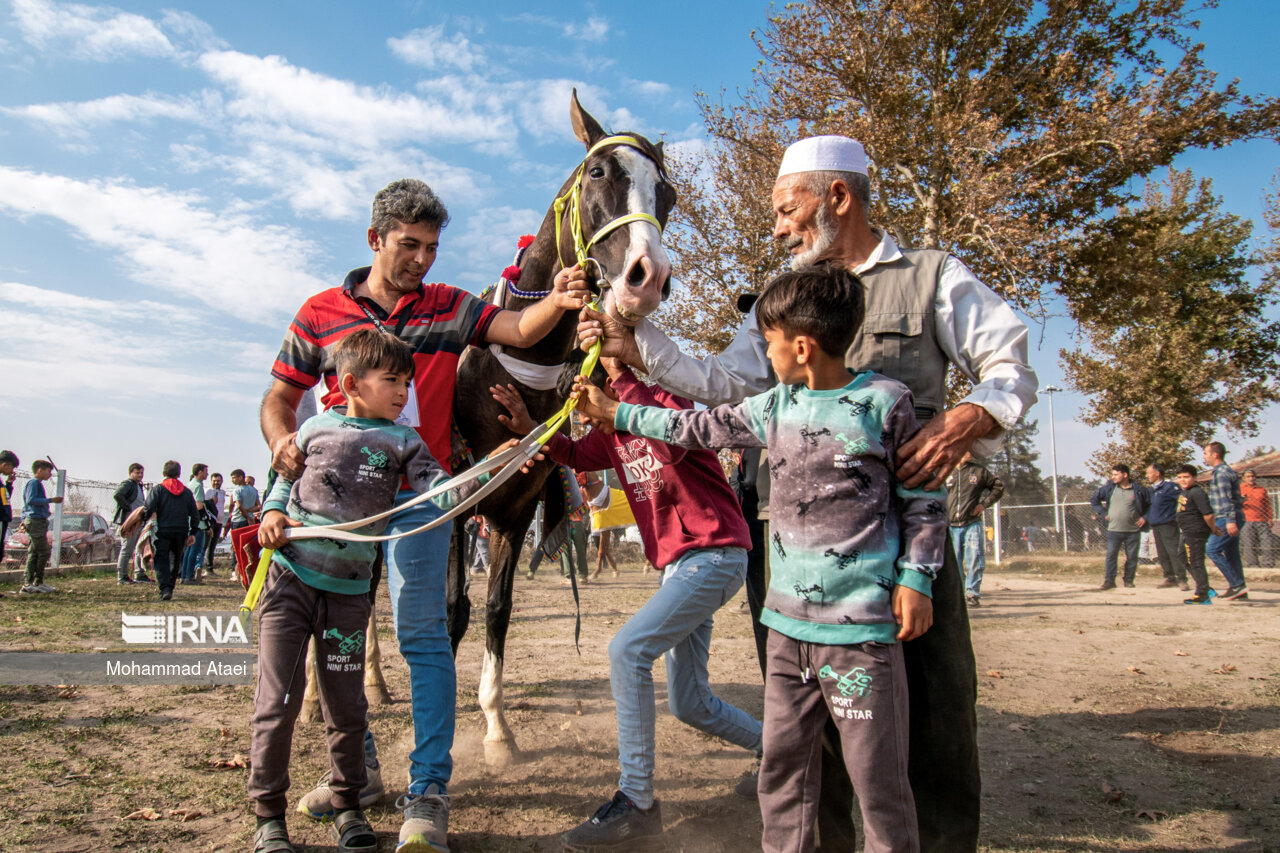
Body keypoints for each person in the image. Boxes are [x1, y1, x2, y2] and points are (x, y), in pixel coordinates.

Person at [577, 135, 1036, 851]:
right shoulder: (780, 298)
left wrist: (970, 417)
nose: (778, 229)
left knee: (936, 712)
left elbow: (1010, 362)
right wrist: (636, 347)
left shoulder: (931, 277)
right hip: (790, 552)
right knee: (807, 728)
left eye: (787, 210)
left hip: (904, 550)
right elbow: (725, 389)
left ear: (838, 198)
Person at [259, 178, 588, 852]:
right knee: (339, 644)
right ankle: (357, 776)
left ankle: (429, 789)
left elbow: (517, 328)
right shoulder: (318, 313)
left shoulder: (449, 305)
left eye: (432, 247)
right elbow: (279, 397)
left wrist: (556, 299)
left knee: (425, 640)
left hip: (419, 504)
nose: (422, 259)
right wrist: (280, 441)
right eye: (409, 244)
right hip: (338, 511)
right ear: (374, 238)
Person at [575, 265, 946, 853]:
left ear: (800, 347)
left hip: (860, 635)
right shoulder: (771, 407)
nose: (762, 355)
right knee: (781, 778)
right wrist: (616, 413)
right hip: (785, 633)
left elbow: (923, 497)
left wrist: (917, 578)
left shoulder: (884, 403)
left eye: (767, 341)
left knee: (877, 785)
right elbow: (692, 426)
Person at [250, 329, 529, 853]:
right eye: (393, 381)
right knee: (278, 702)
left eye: (408, 382)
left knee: (346, 704)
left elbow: (442, 493)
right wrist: (271, 511)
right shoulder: (313, 428)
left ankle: (349, 804)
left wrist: (494, 466)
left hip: (349, 594)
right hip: (291, 582)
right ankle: (269, 816)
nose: (404, 393)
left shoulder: (406, 443)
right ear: (351, 384)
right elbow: (285, 478)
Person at [493, 357, 763, 850]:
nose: (586, 421)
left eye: (588, 408)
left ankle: (636, 801)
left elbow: (672, 435)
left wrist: (620, 378)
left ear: (609, 393)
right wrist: (533, 426)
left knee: (627, 650)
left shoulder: (664, 406)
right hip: (680, 568)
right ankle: (783, 754)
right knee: (690, 703)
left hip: (715, 554)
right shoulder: (609, 436)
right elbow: (574, 454)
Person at [135, 460, 198, 601]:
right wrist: (193, 532)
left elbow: (149, 507)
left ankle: (165, 588)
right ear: (179, 474)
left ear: (164, 473)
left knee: (161, 558)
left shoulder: (158, 489)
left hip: (162, 530)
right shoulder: (187, 492)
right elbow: (194, 513)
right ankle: (170, 586)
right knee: (176, 559)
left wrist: (145, 519)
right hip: (181, 530)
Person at [947, 453, 1004, 607]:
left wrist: (984, 504)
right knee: (953, 562)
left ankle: (972, 592)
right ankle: (958, 592)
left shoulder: (979, 471)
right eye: (967, 449)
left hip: (972, 523)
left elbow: (998, 487)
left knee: (974, 559)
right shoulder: (945, 470)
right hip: (949, 525)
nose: (971, 453)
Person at [1089, 464, 1151, 590]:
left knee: (1132, 557)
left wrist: (1145, 517)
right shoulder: (1109, 489)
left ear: (1125, 475)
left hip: (1133, 531)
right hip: (1114, 530)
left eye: (1116, 474)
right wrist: (1104, 513)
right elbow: (1094, 500)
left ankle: (1129, 580)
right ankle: (1109, 581)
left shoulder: (1139, 490)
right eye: (1113, 474)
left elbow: (1151, 505)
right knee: (1111, 556)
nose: (1113, 477)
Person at [1203, 442, 1248, 600]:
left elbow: (1226, 499)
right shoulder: (1224, 471)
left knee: (1212, 550)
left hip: (1226, 517)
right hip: (1231, 516)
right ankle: (1239, 589)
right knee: (1231, 553)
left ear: (1215, 454)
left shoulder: (1221, 473)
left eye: (1206, 453)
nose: (1204, 456)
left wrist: (1229, 521)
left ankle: (1237, 584)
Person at [1172, 464, 1217, 605]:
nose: (1183, 480)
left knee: (1196, 562)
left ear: (1195, 478)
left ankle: (1203, 595)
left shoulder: (1197, 493)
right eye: (1180, 477)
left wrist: (1213, 529)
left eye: (1186, 477)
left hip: (1196, 531)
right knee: (1182, 556)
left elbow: (1208, 514)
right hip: (1186, 531)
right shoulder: (1185, 492)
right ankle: (1205, 587)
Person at [19, 459, 63, 594]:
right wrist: (51, 500)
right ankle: (32, 582)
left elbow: (26, 506)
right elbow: (31, 500)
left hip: (37, 521)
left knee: (34, 552)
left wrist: (23, 519)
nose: (50, 474)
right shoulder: (34, 483)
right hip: (36, 521)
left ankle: (34, 583)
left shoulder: (36, 483)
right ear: (39, 470)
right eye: (48, 471)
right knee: (43, 551)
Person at [1144, 463, 1189, 590]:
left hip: (1168, 525)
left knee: (1173, 551)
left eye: (1149, 473)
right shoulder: (1151, 490)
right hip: (1155, 525)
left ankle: (1181, 578)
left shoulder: (1170, 487)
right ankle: (1170, 577)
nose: (1147, 476)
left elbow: (1182, 501)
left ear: (1157, 473)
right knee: (1162, 553)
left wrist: (1176, 516)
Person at [111, 463, 147, 584]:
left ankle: (139, 574)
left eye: (141, 473)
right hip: (129, 522)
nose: (140, 475)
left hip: (138, 522)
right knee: (127, 549)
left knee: (139, 548)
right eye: (137, 473)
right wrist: (129, 510)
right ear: (131, 473)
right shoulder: (128, 484)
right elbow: (117, 495)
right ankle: (122, 577)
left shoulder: (138, 486)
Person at [181, 463, 210, 584]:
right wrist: (206, 520)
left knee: (188, 550)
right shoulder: (198, 485)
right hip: (198, 523)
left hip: (189, 522)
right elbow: (199, 505)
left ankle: (184, 575)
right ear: (200, 472)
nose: (207, 474)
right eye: (205, 471)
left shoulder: (190, 484)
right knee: (195, 550)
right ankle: (189, 576)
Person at [1239, 470, 1273, 568]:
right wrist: (1240, 499)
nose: (1251, 478)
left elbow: (1267, 505)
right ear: (1243, 478)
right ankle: (1253, 564)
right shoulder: (1238, 489)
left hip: (1262, 520)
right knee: (1249, 544)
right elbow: (1232, 504)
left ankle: (1268, 564)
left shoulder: (1261, 489)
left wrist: (1269, 518)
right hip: (1246, 520)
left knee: (1267, 543)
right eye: (1248, 476)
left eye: (1253, 476)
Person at [202, 472, 226, 573]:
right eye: (214, 481)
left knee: (213, 546)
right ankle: (199, 567)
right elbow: (204, 506)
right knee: (205, 545)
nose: (216, 483)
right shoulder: (208, 491)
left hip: (219, 522)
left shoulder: (223, 492)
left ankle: (209, 568)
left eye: (218, 481)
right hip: (211, 521)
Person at [0, 450, 18, 565]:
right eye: (12, 467)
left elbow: (3, 500)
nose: (12, 470)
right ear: (5, 464)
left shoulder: (1, 483)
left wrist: (8, 484)